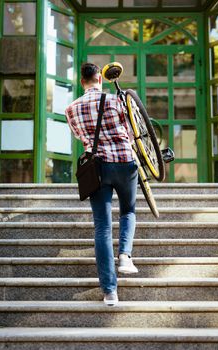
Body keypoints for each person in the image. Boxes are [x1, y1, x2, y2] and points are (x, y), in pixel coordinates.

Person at [65, 62, 139, 307]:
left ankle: (110, 292)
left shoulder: (71, 108)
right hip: (124, 161)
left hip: (97, 169)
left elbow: (80, 136)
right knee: (128, 210)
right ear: (99, 78)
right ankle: (125, 257)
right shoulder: (114, 100)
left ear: (81, 81)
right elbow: (129, 129)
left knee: (102, 228)